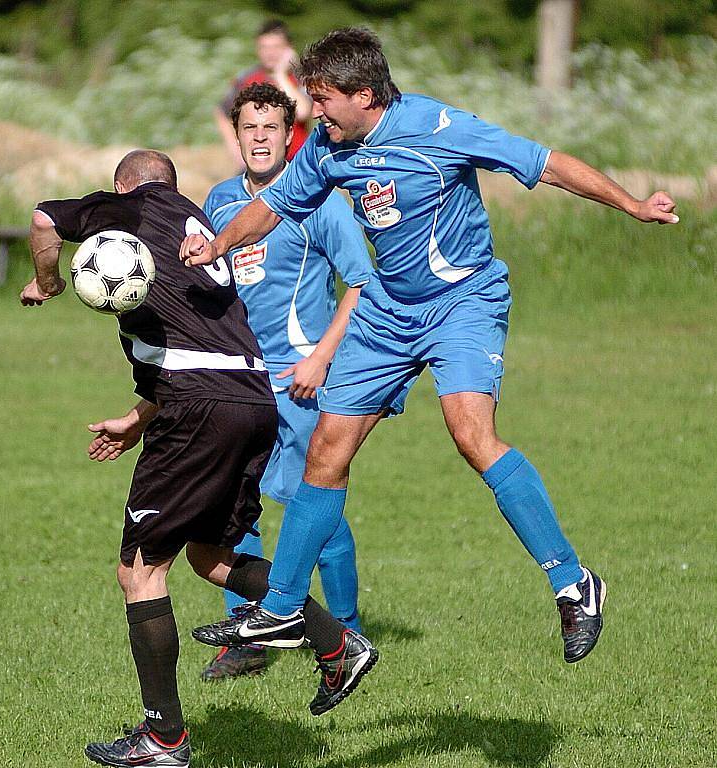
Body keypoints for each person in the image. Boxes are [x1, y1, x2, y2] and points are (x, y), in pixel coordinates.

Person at [180, 27, 681, 667]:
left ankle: (573, 583)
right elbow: (273, 207)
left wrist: (634, 205)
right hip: (388, 311)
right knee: (328, 449)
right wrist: (218, 245)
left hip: (462, 301)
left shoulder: (439, 127)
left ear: (364, 95)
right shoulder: (328, 148)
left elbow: (547, 163)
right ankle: (280, 609)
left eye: (324, 99)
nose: (314, 112)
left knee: (470, 433)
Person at [19, 149, 378, 768]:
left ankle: (163, 740)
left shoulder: (132, 207)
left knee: (139, 569)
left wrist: (47, 282)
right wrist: (135, 421)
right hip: (250, 400)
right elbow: (196, 349)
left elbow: (43, 217)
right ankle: (337, 644)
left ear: (123, 188)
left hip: (199, 410)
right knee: (210, 557)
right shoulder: (201, 229)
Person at [199, 82, 373, 680]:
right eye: (250, 128)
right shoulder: (219, 202)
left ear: (289, 133)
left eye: (272, 128)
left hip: (301, 383)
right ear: (237, 134)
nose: (260, 139)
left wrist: (321, 358)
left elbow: (362, 283)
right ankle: (248, 637)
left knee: (312, 508)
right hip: (239, 384)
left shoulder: (320, 202)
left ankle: (347, 632)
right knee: (231, 509)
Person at [216, 19, 312, 169]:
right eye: (264, 47)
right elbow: (222, 112)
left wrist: (280, 75)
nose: (269, 53)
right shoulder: (246, 79)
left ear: (288, 49)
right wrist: (235, 150)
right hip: (256, 162)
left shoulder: (300, 78)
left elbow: (303, 112)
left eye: (276, 47)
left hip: (296, 163)